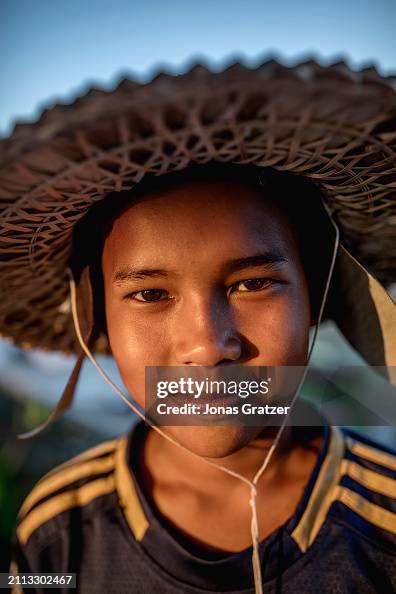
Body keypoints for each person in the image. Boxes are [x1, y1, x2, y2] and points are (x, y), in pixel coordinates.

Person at [1, 59, 395, 593]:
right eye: (149, 294)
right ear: (95, 323)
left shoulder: (386, 519)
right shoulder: (59, 529)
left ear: (317, 291)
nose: (209, 346)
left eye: (253, 284)